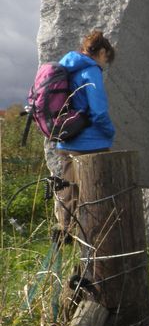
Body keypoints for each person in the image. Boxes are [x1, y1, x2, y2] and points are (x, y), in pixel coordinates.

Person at [54, 29, 117, 236]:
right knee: (96, 200)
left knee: (69, 198)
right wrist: (110, 133)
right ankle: (94, 252)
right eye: (105, 59)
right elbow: (98, 112)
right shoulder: (91, 71)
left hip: (65, 142)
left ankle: (64, 245)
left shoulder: (65, 68)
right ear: (101, 53)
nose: (104, 65)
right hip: (91, 146)